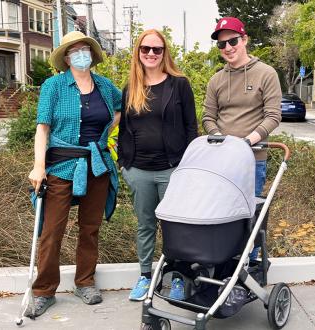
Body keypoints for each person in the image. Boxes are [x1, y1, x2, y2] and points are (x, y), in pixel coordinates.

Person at [27, 31, 122, 317]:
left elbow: (121, 109)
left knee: (90, 229)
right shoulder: (53, 86)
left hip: (96, 164)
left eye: (85, 49)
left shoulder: (105, 87)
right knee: (52, 229)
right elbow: (42, 128)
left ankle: (85, 282)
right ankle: (44, 290)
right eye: (75, 50)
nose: (81, 54)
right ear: (67, 58)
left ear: (92, 54)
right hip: (61, 166)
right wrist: (39, 166)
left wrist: (107, 134)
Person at [118, 29, 198, 301]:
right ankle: (144, 276)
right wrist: (124, 165)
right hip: (139, 170)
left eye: (157, 49)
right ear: (138, 52)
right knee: (145, 224)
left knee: (175, 226)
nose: (151, 54)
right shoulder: (131, 88)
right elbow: (125, 129)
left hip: (172, 170)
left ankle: (177, 276)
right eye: (145, 49)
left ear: (165, 53)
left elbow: (191, 128)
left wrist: (187, 168)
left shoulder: (179, 84)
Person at [202, 17, 282, 260]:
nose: (227, 48)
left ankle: (248, 266)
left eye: (232, 41)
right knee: (221, 212)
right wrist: (219, 139)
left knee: (248, 213)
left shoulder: (266, 73)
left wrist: (247, 141)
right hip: (221, 160)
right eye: (221, 44)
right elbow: (208, 116)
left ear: (245, 39)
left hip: (252, 158)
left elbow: (273, 116)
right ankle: (224, 262)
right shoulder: (216, 79)